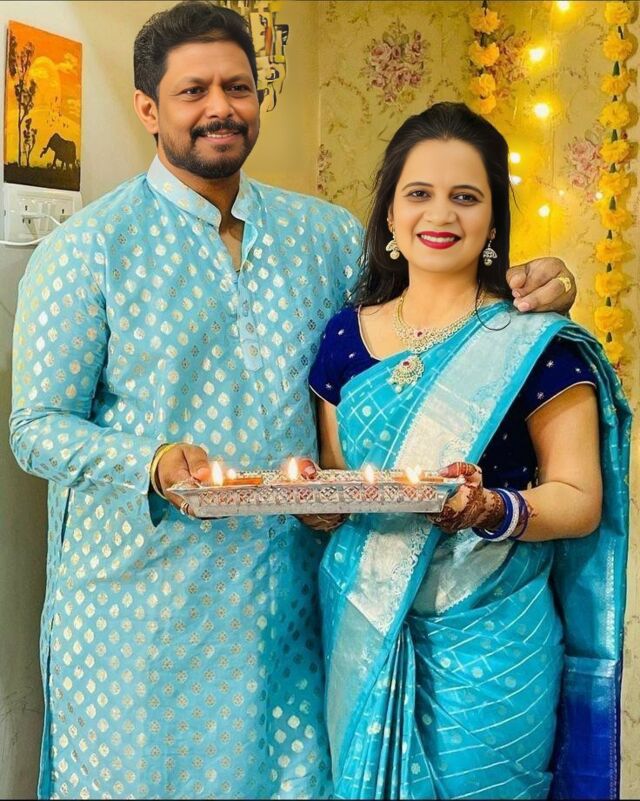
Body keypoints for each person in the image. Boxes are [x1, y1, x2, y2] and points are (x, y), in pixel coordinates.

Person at [9, 1, 578, 797]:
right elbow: (34, 427)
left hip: (286, 606)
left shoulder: (325, 235)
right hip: (138, 614)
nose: (220, 108)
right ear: (147, 108)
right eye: (193, 91)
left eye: (237, 87)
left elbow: (419, 322)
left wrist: (534, 286)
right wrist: (151, 461)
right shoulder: (88, 250)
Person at [309, 102, 630, 800]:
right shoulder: (343, 337)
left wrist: (491, 508)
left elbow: (580, 499)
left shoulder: (533, 342)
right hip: (364, 624)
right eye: (419, 193)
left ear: (491, 221)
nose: (440, 214)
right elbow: (340, 480)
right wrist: (313, 502)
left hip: (493, 641)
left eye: (465, 197)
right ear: (390, 213)